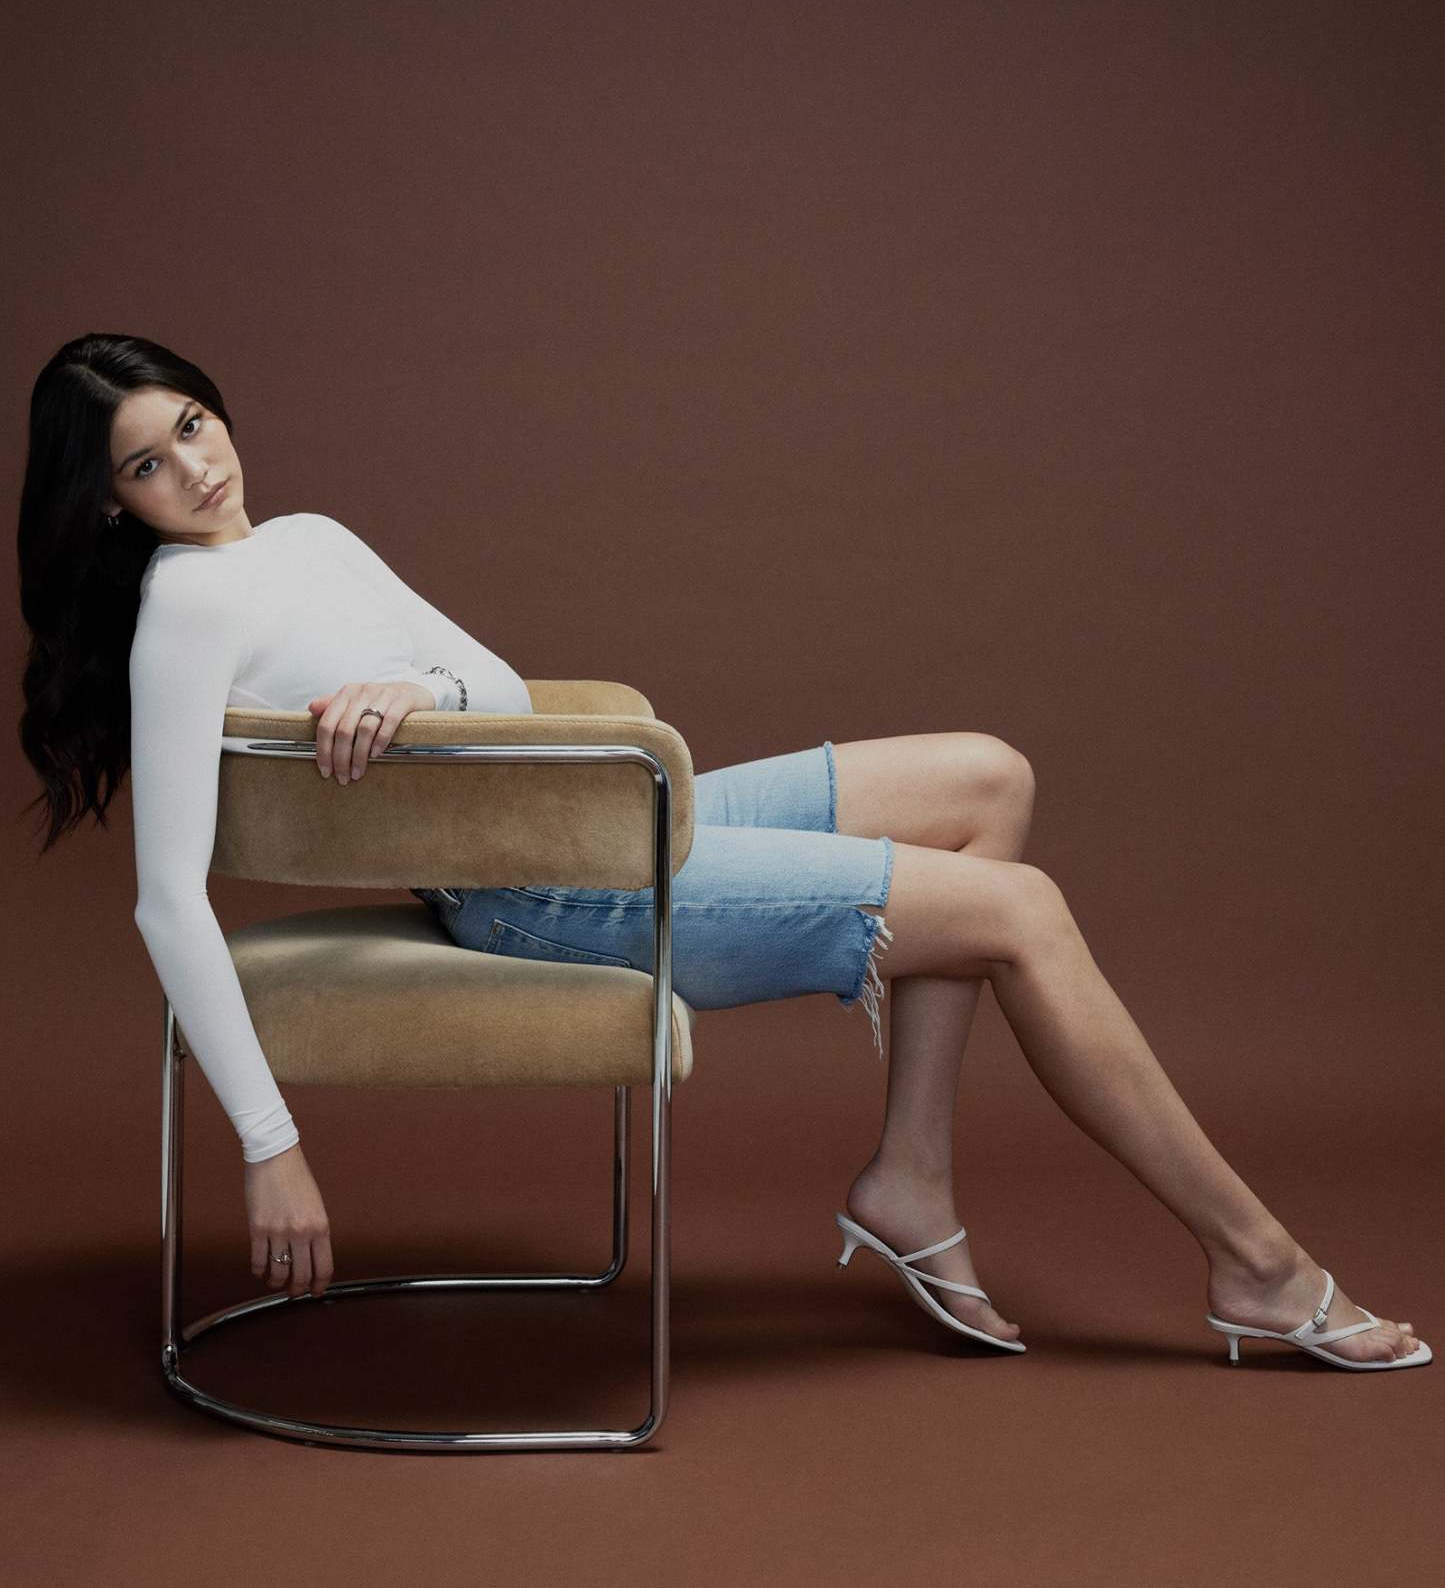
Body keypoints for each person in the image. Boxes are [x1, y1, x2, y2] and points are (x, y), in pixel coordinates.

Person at [17, 332, 1427, 1374]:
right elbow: (166, 902)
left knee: (989, 776)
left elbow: (498, 686)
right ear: (108, 502)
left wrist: (414, 693)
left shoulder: (309, 536)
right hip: (540, 893)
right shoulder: (185, 612)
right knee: (1023, 909)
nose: (197, 466)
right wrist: (271, 1147)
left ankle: (911, 1181)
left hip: (596, 812)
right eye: (148, 463)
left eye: (193, 423)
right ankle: (1255, 1263)